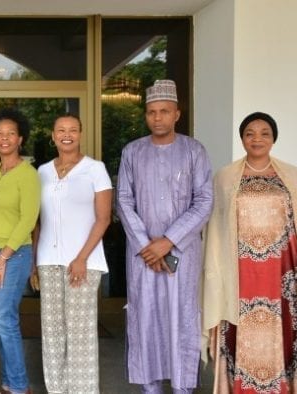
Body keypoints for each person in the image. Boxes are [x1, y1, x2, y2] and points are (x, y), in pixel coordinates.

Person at [202, 112, 297, 393]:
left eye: (264, 133)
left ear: (273, 138)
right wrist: (215, 277)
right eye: (250, 133)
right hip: (238, 274)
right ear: (242, 139)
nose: (257, 139)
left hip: (283, 275)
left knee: (283, 338)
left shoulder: (294, 177)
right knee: (238, 337)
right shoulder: (225, 178)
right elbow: (215, 230)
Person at [116, 79, 213, 393]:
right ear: (146, 115)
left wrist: (168, 241)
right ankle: (151, 387)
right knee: (146, 319)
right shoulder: (132, 152)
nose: (157, 118)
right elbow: (124, 201)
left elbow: (204, 201)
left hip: (182, 254)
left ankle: (183, 386)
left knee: (182, 318)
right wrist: (148, 246)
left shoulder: (194, 150)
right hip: (142, 255)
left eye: (164, 111)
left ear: (177, 114)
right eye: (152, 112)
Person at [33, 114, 112, 393]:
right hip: (48, 262)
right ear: (52, 136)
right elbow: (38, 222)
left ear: (80, 133)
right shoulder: (41, 171)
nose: (67, 135)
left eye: (73, 130)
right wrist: (34, 264)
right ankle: (56, 389)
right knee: (52, 333)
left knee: (80, 334)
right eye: (61, 130)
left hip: (84, 263)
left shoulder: (95, 169)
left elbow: (103, 218)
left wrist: (80, 258)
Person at [0, 108, 40, 394]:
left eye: (11, 134)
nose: (4, 138)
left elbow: (28, 219)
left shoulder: (28, 174)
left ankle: (19, 387)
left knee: (5, 319)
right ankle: (7, 383)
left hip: (12, 254)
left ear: (21, 139)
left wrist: (3, 257)